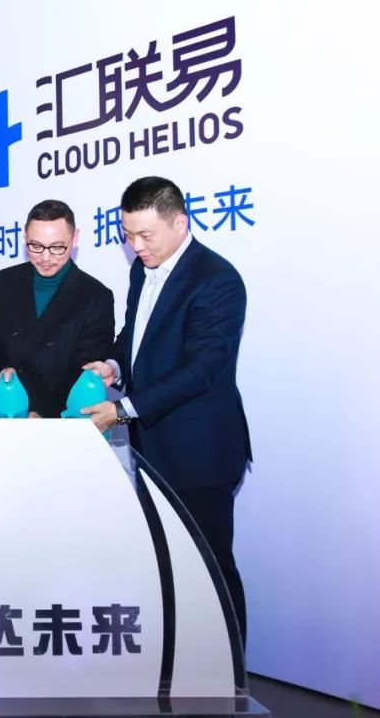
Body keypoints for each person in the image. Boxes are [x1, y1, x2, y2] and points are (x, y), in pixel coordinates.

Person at [82, 175, 252, 646]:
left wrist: (122, 410)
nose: (136, 246)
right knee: (165, 568)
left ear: (180, 223)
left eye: (146, 235)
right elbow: (137, 336)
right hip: (152, 448)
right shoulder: (143, 270)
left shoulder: (217, 280)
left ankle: (228, 671)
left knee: (210, 568)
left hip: (200, 452)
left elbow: (202, 370)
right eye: (128, 235)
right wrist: (114, 365)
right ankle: (179, 665)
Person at [0, 199, 114, 417]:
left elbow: (86, 371)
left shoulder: (95, 296)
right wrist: (1, 372)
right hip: (11, 411)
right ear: (24, 236)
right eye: (36, 246)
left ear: (75, 238)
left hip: (62, 419)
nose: (45, 257)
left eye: (57, 247)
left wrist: (42, 414)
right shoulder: (6, 281)